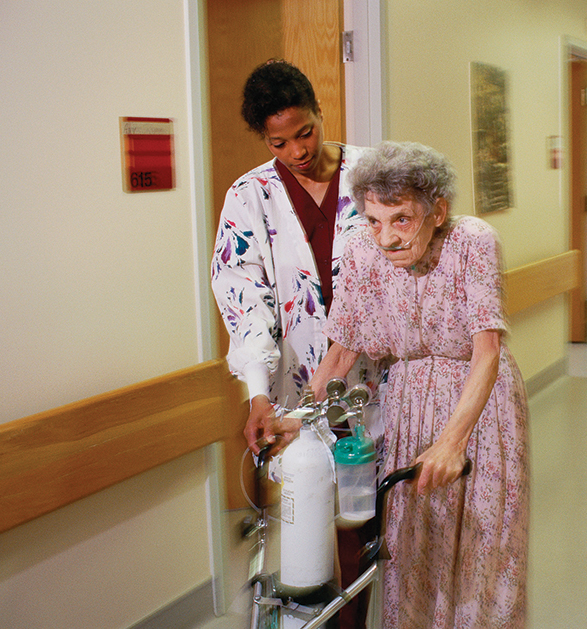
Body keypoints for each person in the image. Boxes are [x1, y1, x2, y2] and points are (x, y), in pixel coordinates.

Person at [310, 141, 530, 628]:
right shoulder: (361, 249)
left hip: (480, 405)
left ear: (438, 211)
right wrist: (299, 416)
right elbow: (343, 349)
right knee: (412, 543)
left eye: (401, 219)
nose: (385, 238)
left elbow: (487, 349)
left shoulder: (472, 241)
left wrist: (453, 442)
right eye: (373, 219)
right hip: (409, 403)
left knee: (484, 542)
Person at [210, 59, 380, 629]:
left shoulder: (373, 175)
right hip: (301, 388)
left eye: (305, 132)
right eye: (279, 142)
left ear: (320, 112)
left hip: (381, 380)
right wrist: (257, 392)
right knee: (312, 517)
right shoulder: (249, 195)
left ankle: (369, 616)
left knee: (371, 518)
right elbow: (242, 298)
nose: (297, 152)